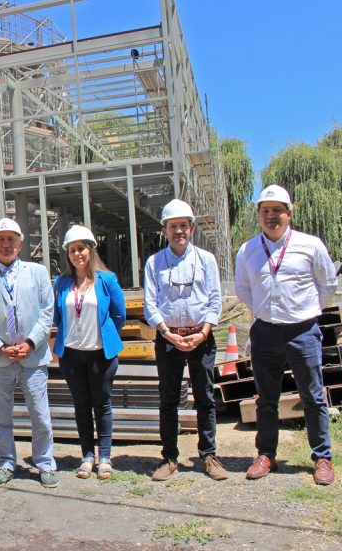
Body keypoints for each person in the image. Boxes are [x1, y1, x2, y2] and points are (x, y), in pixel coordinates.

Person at [235, 184, 338, 485]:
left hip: (303, 331)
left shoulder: (310, 245)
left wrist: (305, 311)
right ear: (259, 215)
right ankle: (266, 454)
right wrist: (266, 312)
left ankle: (322, 457)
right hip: (265, 331)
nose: (271, 216)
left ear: (288, 214)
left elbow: (327, 283)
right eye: (265, 210)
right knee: (266, 398)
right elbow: (243, 287)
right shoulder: (248, 250)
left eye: (277, 210)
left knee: (313, 396)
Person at [0, 218, 58, 489]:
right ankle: (6, 463)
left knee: (40, 413)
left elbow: (47, 311)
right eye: (1, 240)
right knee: (0, 415)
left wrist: (30, 342)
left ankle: (44, 462)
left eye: (11, 239)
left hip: (32, 356)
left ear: (20, 244)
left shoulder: (38, 272)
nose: (6, 244)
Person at [144, 199, 227, 482]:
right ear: (164, 230)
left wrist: (203, 332)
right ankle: (169, 457)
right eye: (172, 226)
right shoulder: (154, 262)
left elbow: (215, 300)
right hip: (169, 338)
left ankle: (208, 455)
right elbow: (150, 304)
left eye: (183, 226)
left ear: (191, 229)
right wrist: (167, 333)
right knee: (168, 400)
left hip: (201, 336)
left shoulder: (206, 260)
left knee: (205, 397)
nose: (178, 231)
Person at [52, 225, 126, 481]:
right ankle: (87, 455)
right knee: (81, 405)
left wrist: (104, 335)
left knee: (102, 404)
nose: (77, 254)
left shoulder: (107, 280)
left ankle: (105, 456)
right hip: (72, 355)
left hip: (100, 354)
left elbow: (119, 314)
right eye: (72, 250)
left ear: (91, 250)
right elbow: (57, 315)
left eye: (81, 248)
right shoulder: (61, 283)